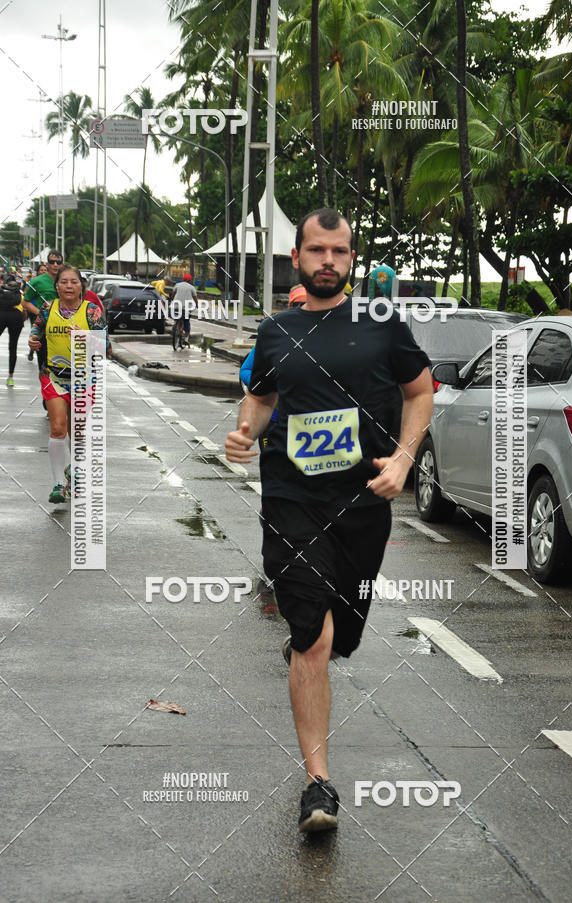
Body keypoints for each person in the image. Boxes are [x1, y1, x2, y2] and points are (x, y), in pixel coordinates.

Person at [225, 208, 433, 833]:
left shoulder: (381, 324)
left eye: (339, 252)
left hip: (362, 503)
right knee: (313, 634)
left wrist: (404, 458)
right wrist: (244, 431)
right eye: (317, 251)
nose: (328, 262)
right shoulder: (276, 330)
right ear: (297, 258)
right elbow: (261, 397)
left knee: (339, 636)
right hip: (291, 499)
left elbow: (420, 390)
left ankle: (312, 642)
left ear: (351, 259)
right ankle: (319, 785)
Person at [28, 264, 109, 504]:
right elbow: (37, 327)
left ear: (81, 286)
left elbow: (107, 347)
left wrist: (87, 337)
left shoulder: (92, 311)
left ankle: (73, 471)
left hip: (84, 378)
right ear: (57, 286)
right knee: (57, 428)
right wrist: (33, 339)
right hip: (54, 377)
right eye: (64, 282)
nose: (69, 286)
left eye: (73, 282)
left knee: (78, 431)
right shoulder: (48, 307)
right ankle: (57, 485)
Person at [23, 251, 63, 365]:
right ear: (47, 264)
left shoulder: (66, 281)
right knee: (44, 366)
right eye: (52, 262)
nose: (55, 265)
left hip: (63, 329)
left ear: (62, 264)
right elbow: (25, 302)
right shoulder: (36, 281)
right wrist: (41, 314)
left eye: (58, 262)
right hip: (43, 329)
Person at [0, 274, 25, 386]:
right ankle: (10, 377)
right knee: (13, 347)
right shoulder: (19, 294)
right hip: (16, 317)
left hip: (1, 315)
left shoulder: (1, 292)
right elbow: (24, 311)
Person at [171, 273, 197, 344]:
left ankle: (175, 324)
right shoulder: (192, 287)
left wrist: (173, 300)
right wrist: (197, 305)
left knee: (176, 315)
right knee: (186, 322)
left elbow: (173, 295)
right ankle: (186, 340)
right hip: (186, 308)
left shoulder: (177, 285)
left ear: (183, 279)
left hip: (176, 306)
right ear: (190, 280)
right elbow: (195, 298)